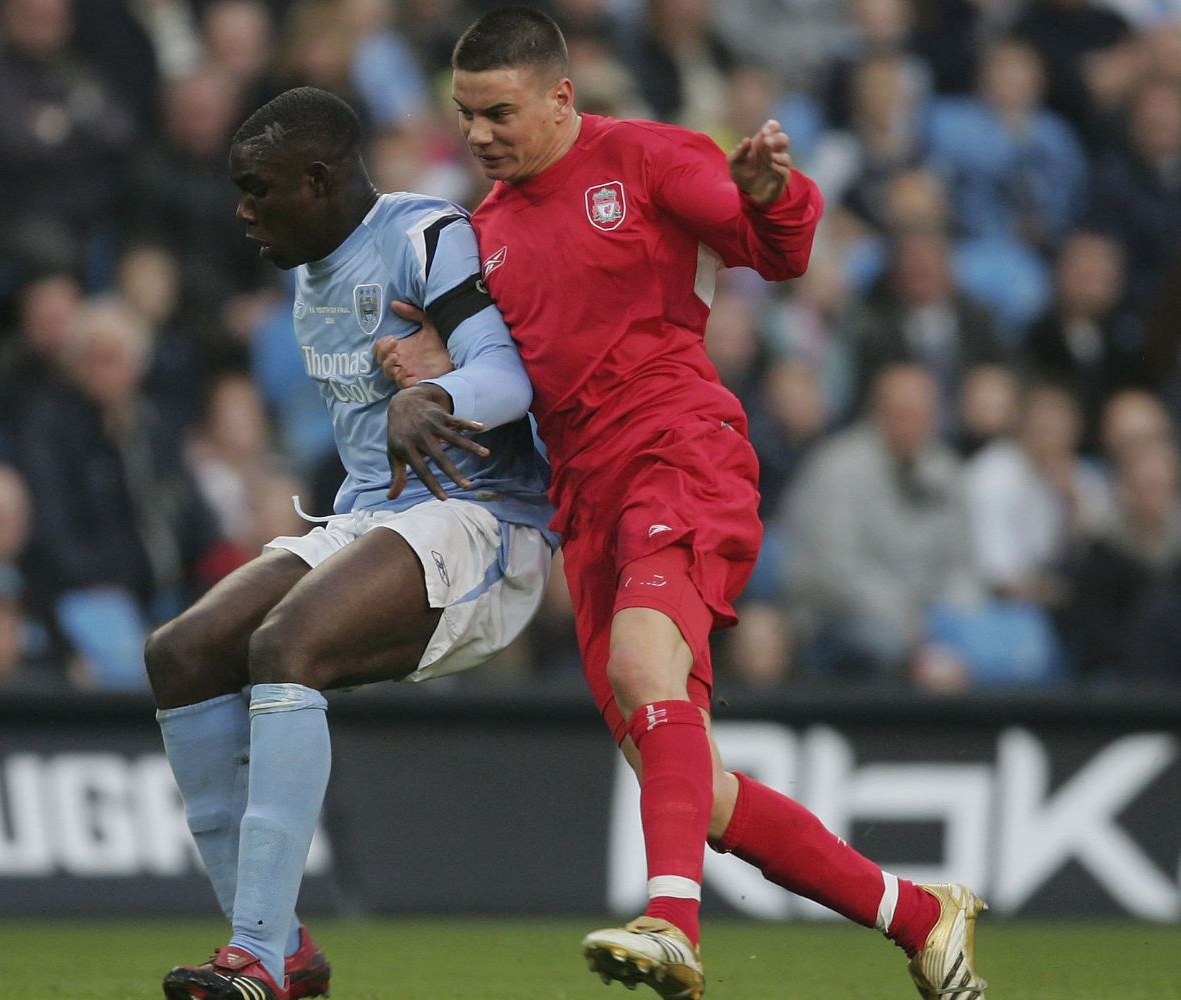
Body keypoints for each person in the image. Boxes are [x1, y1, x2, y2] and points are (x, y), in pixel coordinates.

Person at [377, 7, 987, 998]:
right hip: (585, 501)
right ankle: (923, 915)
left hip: (679, 450)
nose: (479, 133)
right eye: (465, 114)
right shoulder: (481, 231)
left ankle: (671, 922)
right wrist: (429, 361)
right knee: (694, 789)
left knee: (639, 661)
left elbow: (776, 248)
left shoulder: (650, 158)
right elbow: (497, 374)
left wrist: (772, 194)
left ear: (562, 96)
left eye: (498, 111)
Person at [143, 87, 556, 1000]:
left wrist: (435, 396)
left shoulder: (426, 236)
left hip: (485, 522)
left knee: (285, 646)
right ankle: (282, 947)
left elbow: (508, 373)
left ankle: (254, 959)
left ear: (319, 180)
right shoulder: (307, 277)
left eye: (258, 190)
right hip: (372, 518)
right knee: (181, 654)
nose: (243, 211)